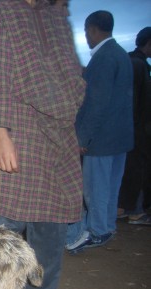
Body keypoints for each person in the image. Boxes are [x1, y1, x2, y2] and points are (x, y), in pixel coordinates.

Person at [0, 0, 86, 289]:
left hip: (58, 134)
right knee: (2, 220)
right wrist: (0, 133)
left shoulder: (54, 16)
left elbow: (73, 72)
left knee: (52, 225)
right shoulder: (2, 12)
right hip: (18, 128)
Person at [66, 10, 134, 254]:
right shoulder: (121, 55)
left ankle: (96, 231)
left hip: (101, 140)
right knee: (111, 186)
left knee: (96, 189)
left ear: (92, 29)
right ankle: (107, 227)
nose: (86, 37)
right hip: (120, 138)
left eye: (86, 32)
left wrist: (83, 138)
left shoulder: (103, 58)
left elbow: (96, 103)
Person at [117, 27, 151, 225]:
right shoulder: (138, 65)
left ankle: (127, 208)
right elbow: (136, 103)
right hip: (136, 131)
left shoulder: (131, 62)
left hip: (130, 129)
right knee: (136, 170)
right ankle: (135, 211)